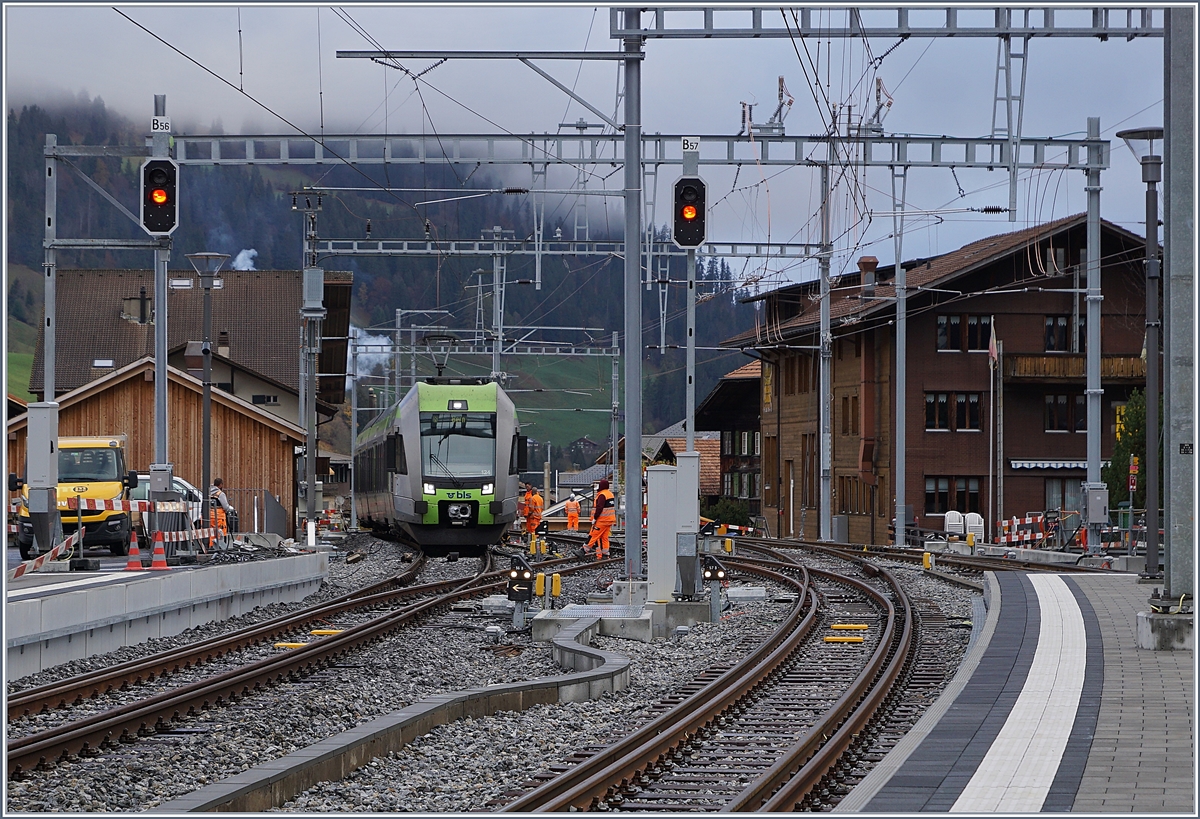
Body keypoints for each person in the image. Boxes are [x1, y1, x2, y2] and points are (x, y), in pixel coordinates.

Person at [586, 478, 616, 560]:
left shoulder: (602, 495)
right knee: (604, 538)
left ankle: (583, 550)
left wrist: (595, 518)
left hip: (601, 520)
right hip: (609, 520)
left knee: (593, 535)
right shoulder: (610, 494)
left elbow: (599, 507)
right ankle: (605, 554)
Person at [209, 477, 235, 546]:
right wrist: (230, 509)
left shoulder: (209, 493)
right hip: (219, 517)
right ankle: (220, 547)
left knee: (211, 533)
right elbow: (225, 507)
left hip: (210, 516)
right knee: (220, 533)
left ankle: (211, 546)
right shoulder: (220, 494)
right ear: (220, 485)